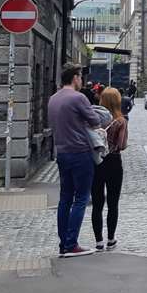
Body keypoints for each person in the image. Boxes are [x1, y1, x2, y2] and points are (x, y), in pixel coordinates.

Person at [48, 64, 99, 257]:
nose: (82, 81)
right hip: (80, 152)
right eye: (80, 77)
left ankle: (64, 243)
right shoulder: (79, 98)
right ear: (75, 78)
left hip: (62, 152)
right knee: (81, 198)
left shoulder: (53, 98)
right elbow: (95, 121)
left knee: (65, 198)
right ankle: (71, 244)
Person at [91, 86, 128, 251]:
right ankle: (111, 239)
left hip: (97, 162)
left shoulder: (93, 120)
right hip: (113, 162)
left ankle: (98, 241)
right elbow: (122, 145)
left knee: (97, 203)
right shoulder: (121, 121)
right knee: (113, 203)